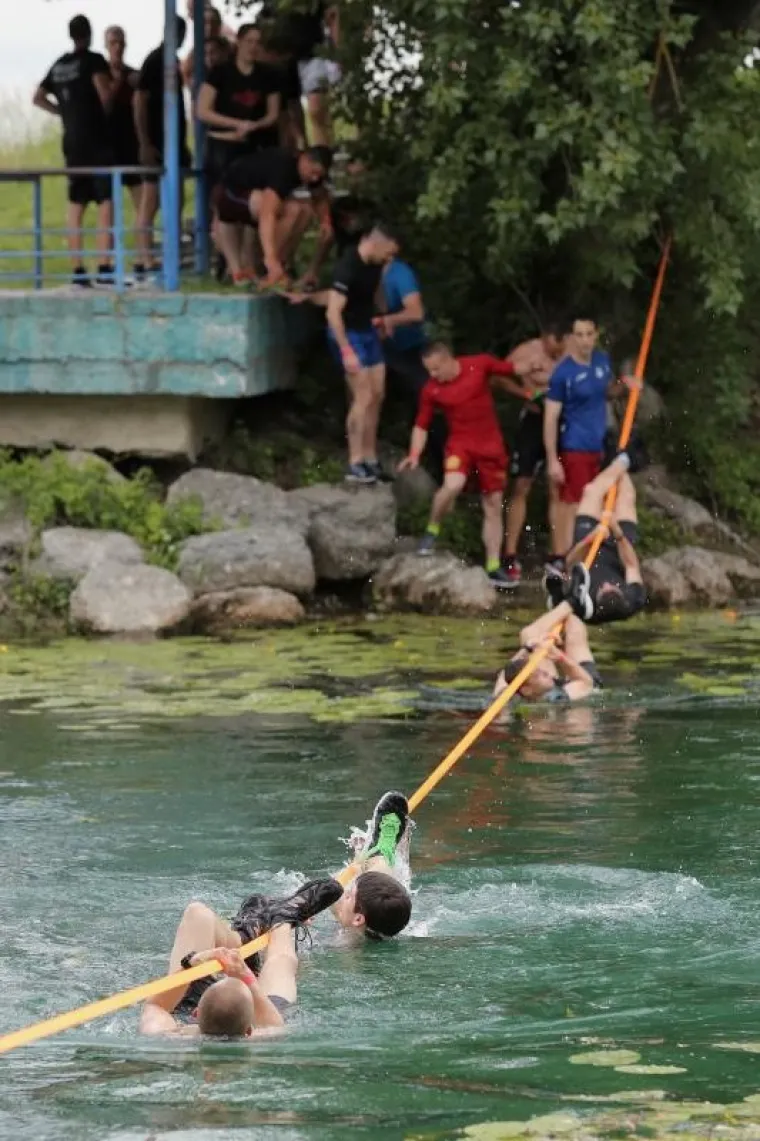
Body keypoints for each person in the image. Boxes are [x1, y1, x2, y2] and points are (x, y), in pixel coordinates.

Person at [397, 342, 531, 588]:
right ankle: (432, 529)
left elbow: (512, 368)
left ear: (449, 360)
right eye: (428, 370)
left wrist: (534, 368)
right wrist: (414, 454)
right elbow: (421, 425)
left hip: (490, 446)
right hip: (460, 445)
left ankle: (493, 566)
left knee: (493, 504)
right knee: (452, 485)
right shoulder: (431, 389)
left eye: (436, 369)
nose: (432, 375)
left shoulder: (479, 365)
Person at [140, 877, 343, 1037]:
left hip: (199, 1021)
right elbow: (273, 1024)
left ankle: (245, 935)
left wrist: (191, 962)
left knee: (197, 913)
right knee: (280, 963)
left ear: (197, 1013)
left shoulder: (171, 1036)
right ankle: (282, 919)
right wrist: (244, 974)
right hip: (253, 1015)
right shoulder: (263, 1036)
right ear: (249, 1030)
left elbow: (154, 1005)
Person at [543, 314, 637, 562]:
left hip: (600, 444)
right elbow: (550, 418)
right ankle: (566, 557)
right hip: (575, 446)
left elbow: (606, 392)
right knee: (574, 503)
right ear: (571, 338)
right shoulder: (563, 373)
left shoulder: (601, 361)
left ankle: (588, 556)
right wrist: (552, 459)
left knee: (600, 500)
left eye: (589, 334)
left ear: (596, 335)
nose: (584, 340)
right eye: (579, 335)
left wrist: (624, 385)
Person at [33, 15, 114, 287]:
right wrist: (105, 113)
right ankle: (104, 266)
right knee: (106, 203)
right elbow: (104, 94)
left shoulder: (59, 66)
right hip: (97, 141)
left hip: (72, 143)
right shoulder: (94, 61)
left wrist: (63, 113)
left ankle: (78, 269)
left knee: (76, 205)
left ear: (71, 35)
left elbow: (38, 97)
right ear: (89, 34)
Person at [326, 223, 401, 484]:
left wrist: (383, 317)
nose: (390, 259)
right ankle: (354, 462)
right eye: (388, 253)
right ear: (376, 242)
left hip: (366, 329)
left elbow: (376, 289)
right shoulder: (347, 266)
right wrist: (346, 350)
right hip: (346, 333)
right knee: (363, 395)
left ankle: (370, 457)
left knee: (378, 393)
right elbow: (332, 313)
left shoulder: (376, 264)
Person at [545, 451, 647, 624]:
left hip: (588, 546)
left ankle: (621, 459)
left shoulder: (585, 602)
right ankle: (621, 459)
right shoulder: (633, 599)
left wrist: (591, 538)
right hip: (619, 547)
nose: (606, 585)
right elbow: (631, 565)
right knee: (626, 495)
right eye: (612, 587)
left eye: (603, 589)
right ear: (621, 592)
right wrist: (616, 531)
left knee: (591, 491)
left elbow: (571, 563)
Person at [197, 23, 282, 222]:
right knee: (221, 202)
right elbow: (202, 110)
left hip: (253, 145)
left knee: (251, 209)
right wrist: (236, 124)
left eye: (258, 42)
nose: (253, 47)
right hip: (222, 144)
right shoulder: (220, 72)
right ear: (239, 42)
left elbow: (273, 114)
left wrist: (254, 125)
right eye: (249, 41)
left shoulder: (269, 75)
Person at [502, 325, 567, 585]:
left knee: (557, 486)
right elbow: (497, 377)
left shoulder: (573, 354)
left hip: (562, 421)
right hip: (533, 419)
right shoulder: (527, 351)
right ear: (546, 337)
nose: (557, 353)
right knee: (521, 484)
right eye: (554, 348)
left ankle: (558, 554)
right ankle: (509, 554)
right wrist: (525, 393)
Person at [215, 145, 333, 286]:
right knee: (291, 210)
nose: (314, 178)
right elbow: (267, 214)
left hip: (255, 194)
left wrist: (325, 221)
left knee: (305, 211)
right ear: (305, 159)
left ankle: (277, 265)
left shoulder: (310, 175)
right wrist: (270, 258)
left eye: (319, 175)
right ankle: (264, 264)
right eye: (313, 173)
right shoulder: (284, 169)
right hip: (229, 193)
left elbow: (319, 197)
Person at [377, 258, 446, 484]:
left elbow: (416, 312)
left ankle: (442, 467)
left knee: (427, 401)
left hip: (410, 349)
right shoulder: (362, 269)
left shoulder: (399, 273)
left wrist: (386, 320)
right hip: (381, 348)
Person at [134, 17, 192, 281]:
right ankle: (144, 257)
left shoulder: (173, 62)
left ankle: (171, 253)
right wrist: (145, 142)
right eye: (176, 33)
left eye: (182, 33)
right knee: (150, 200)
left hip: (174, 142)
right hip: (157, 143)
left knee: (176, 199)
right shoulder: (155, 60)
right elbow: (140, 100)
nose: (179, 38)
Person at [492, 568, 600, 705]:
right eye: (539, 674)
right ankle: (571, 604)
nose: (545, 672)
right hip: (583, 682)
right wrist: (559, 657)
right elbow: (586, 682)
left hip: (548, 686)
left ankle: (566, 604)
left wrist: (528, 649)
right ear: (526, 690)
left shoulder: (504, 697)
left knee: (528, 635)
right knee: (574, 628)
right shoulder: (555, 700)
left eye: (540, 671)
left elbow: (505, 675)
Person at [331, 790, 414, 939]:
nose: (346, 893)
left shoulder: (344, 949)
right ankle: (379, 855)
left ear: (358, 919)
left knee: (332, 893)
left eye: (349, 896)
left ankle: (371, 858)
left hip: (349, 934)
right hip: (362, 925)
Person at [259, 0, 341, 147]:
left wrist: (338, 51)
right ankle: (303, 151)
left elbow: (332, 16)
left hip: (313, 52)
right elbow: (264, 22)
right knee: (291, 112)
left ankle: (323, 152)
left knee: (317, 109)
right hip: (284, 57)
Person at [104, 26, 141, 239]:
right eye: (113, 43)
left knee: (142, 202)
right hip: (108, 146)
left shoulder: (134, 76)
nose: (117, 47)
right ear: (106, 46)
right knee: (108, 207)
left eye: (120, 43)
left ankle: (142, 252)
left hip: (131, 145)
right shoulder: (100, 76)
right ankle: (107, 255)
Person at [181, 4, 234, 89]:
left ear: (219, 24)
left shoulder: (230, 48)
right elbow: (186, 75)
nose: (209, 27)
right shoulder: (194, 53)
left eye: (213, 23)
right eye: (205, 23)